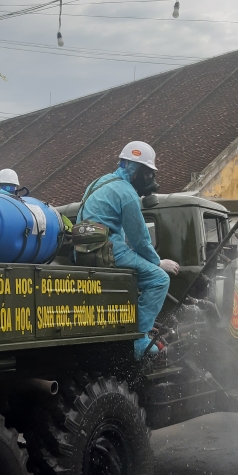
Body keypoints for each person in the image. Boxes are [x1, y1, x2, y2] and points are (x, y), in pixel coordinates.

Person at [76, 141, 180, 359]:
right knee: (159, 280)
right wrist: (158, 262)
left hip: (83, 250)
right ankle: (138, 340)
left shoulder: (99, 183)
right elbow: (140, 239)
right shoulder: (127, 193)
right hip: (107, 251)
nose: (150, 180)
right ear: (139, 171)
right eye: (148, 174)